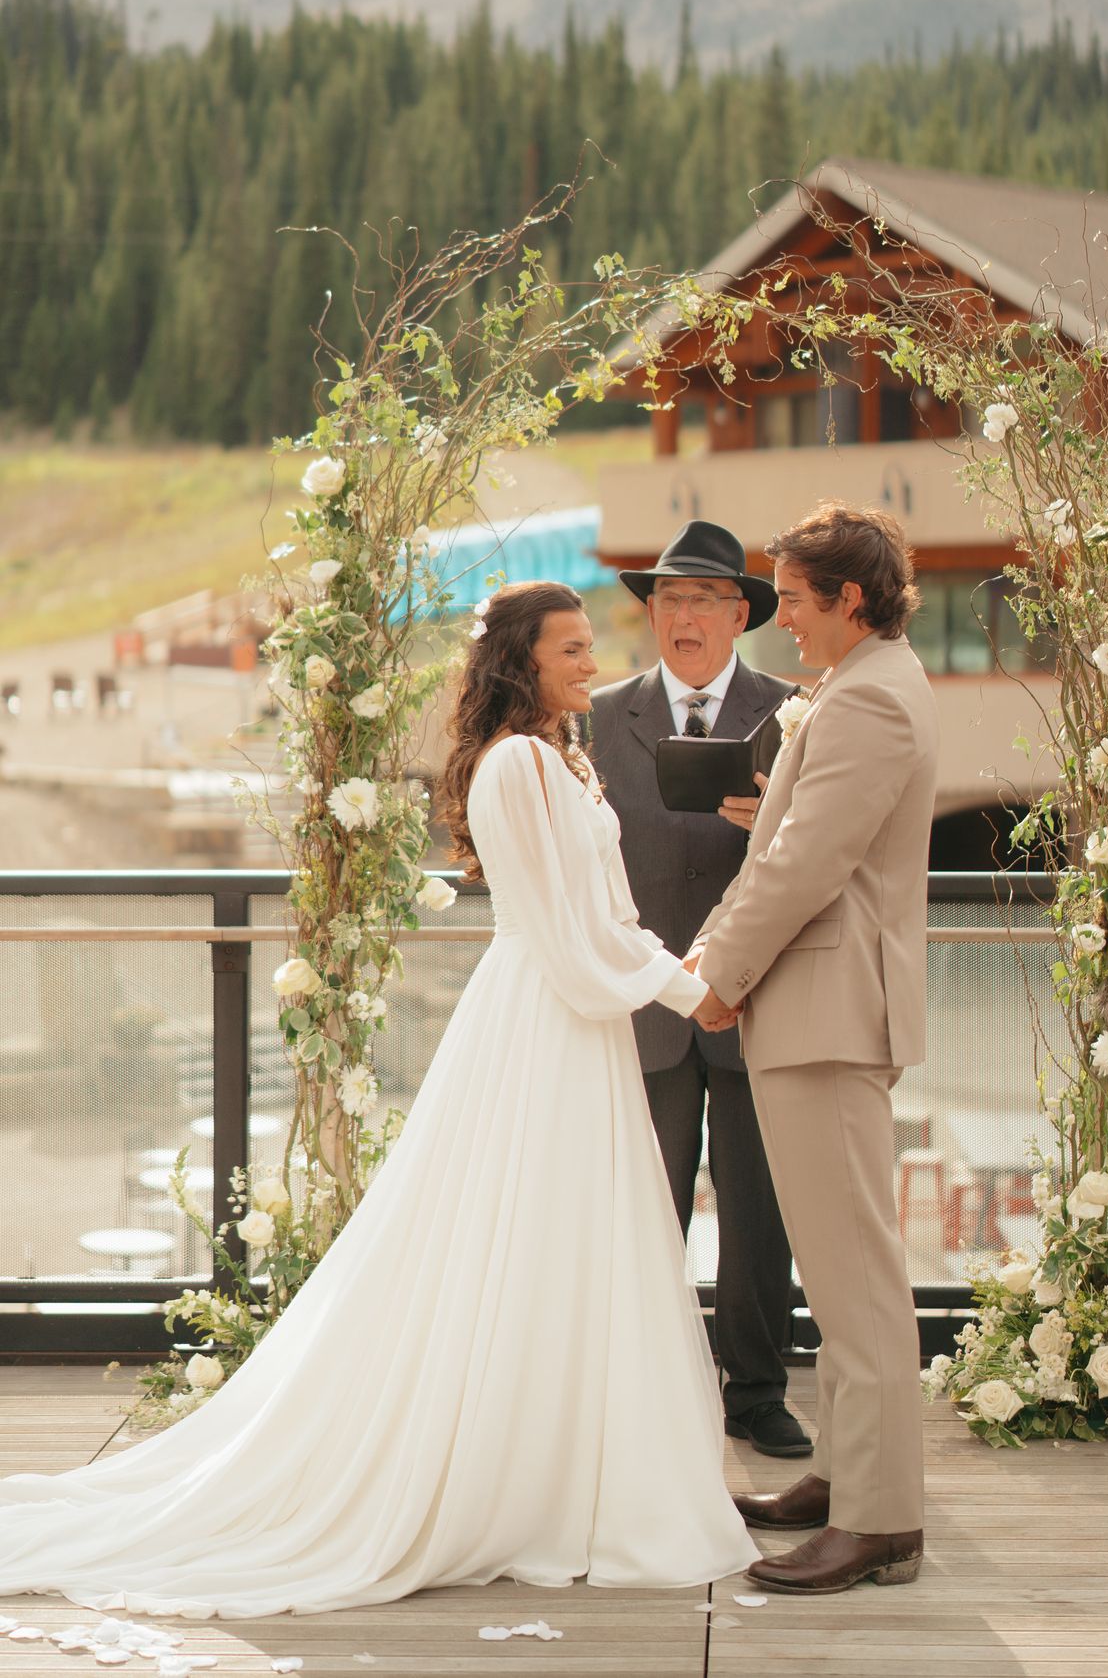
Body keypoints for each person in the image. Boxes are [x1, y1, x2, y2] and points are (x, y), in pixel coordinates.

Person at [0, 582, 758, 1617]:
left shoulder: (560, 760)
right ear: (520, 666)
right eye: (570, 649)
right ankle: (521, 1478)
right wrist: (690, 986)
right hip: (545, 1024)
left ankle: (557, 1468)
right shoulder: (522, 766)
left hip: (576, 1025)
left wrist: (674, 972)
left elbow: (604, 920)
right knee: (529, 1237)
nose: (592, 662)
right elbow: (571, 937)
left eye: (590, 646)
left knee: (564, 1246)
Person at [687, 503, 939, 1596]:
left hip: (830, 1014)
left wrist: (714, 975)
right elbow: (793, 846)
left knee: (858, 1279)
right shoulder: (855, 689)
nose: (776, 616)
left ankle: (882, 1520)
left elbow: (804, 867)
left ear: (850, 600)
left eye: (791, 597)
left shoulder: (870, 701)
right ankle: (841, 1476)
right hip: (817, 1008)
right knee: (841, 1274)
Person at [588, 519, 808, 1459]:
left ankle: (755, 1393)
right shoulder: (599, 717)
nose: (684, 616)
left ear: (739, 616)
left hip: (757, 997)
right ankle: (641, 1393)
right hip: (645, 1003)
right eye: (669, 599)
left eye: (705, 600)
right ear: (652, 614)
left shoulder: (795, 711)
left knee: (760, 1209)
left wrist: (774, 819)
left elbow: (821, 851)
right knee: (643, 1206)